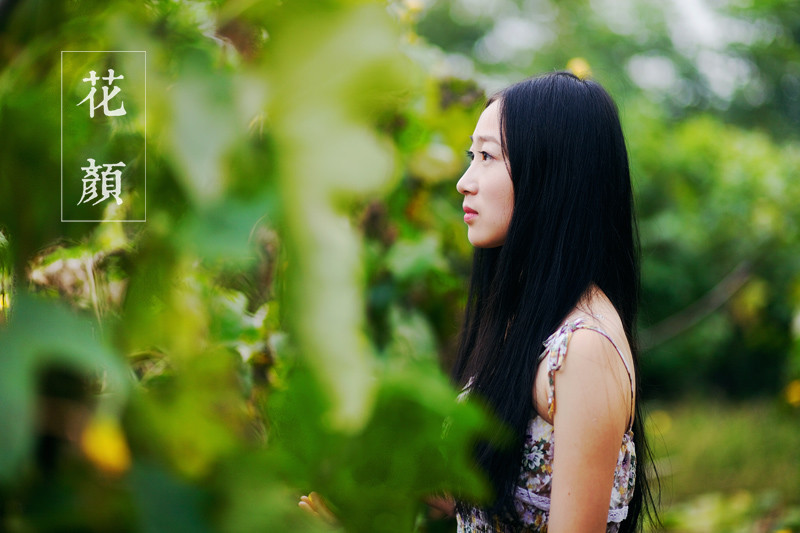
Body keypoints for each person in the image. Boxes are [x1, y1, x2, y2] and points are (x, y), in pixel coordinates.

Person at [449, 71, 657, 532]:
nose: (465, 181)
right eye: (471, 155)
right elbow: (488, 502)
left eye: (487, 156)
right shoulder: (527, 320)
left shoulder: (583, 349)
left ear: (550, 172)